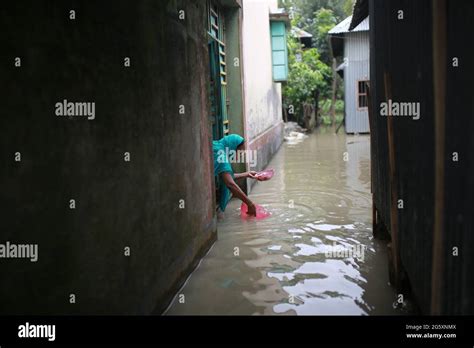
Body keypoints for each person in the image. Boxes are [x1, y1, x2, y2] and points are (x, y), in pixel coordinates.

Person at [213, 134, 259, 216]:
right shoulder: (222, 157)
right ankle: (220, 213)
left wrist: (246, 174)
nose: (240, 154)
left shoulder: (217, 145)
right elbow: (230, 184)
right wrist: (250, 204)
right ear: (233, 146)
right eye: (240, 150)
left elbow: (227, 177)